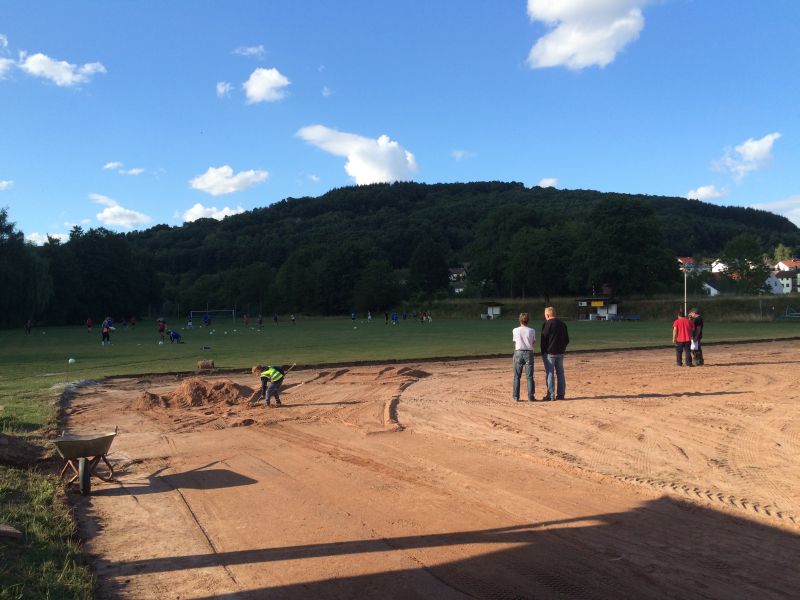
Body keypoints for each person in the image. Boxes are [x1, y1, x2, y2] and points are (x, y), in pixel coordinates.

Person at [540, 306, 570, 400]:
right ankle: (561, 394)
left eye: (545, 315)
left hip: (549, 353)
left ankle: (551, 395)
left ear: (548, 315)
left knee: (550, 373)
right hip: (560, 352)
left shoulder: (547, 324)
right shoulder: (562, 324)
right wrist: (562, 348)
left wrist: (543, 351)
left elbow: (543, 339)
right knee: (560, 373)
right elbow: (567, 339)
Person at [512, 312, 536, 402]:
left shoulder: (515, 330)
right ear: (528, 321)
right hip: (529, 352)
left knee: (517, 376)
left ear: (520, 320)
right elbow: (533, 342)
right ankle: (530, 396)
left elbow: (515, 341)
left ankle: (516, 397)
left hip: (518, 352)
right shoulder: (532, 330)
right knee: (530, 376)